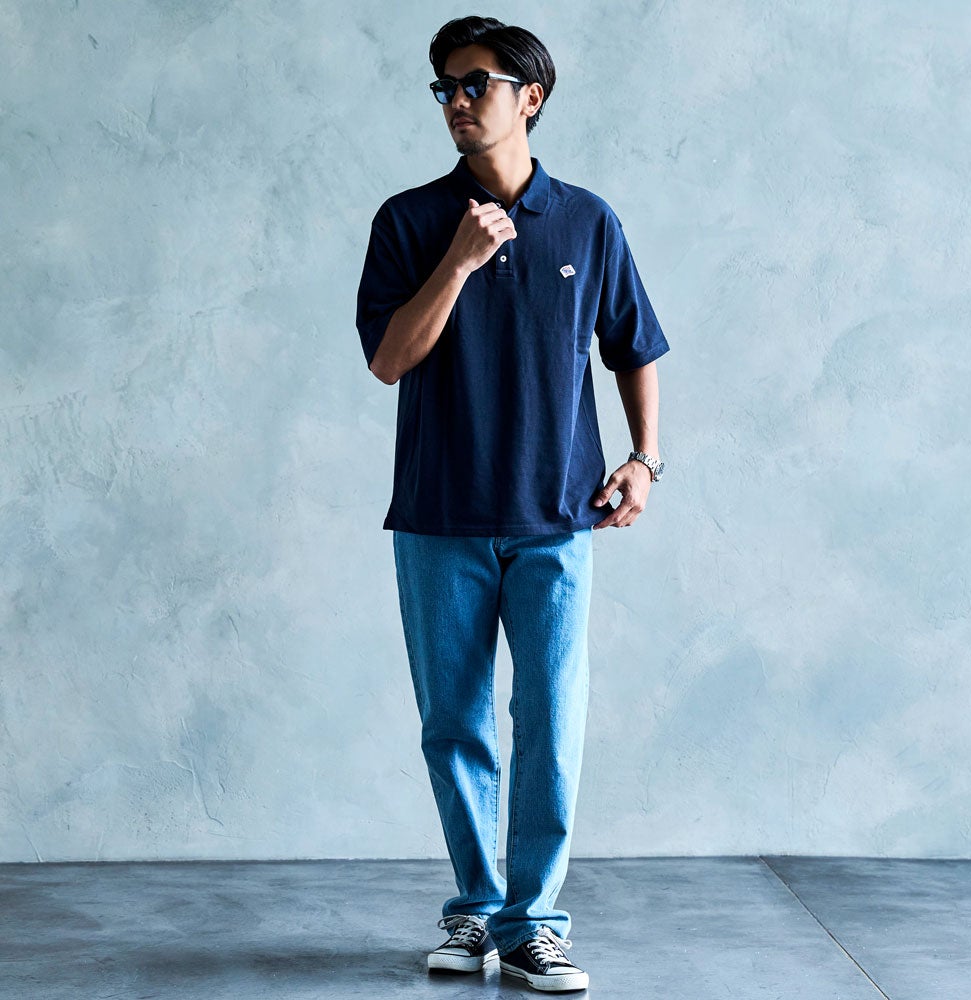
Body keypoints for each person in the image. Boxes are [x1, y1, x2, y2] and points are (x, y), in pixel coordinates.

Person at [355, 15, 668, 993]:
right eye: (444, 87)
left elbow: (634, 346)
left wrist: (644, 460)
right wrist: (456, 260)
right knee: (454, 726)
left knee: (550, 726)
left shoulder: (586, 221)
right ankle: (476, 909)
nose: (456, 101)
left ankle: (534, 925)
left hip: (556, 517)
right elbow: (389, 360)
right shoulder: (410, 222)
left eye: (475, 84)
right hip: (439, 516)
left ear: (529, 97)